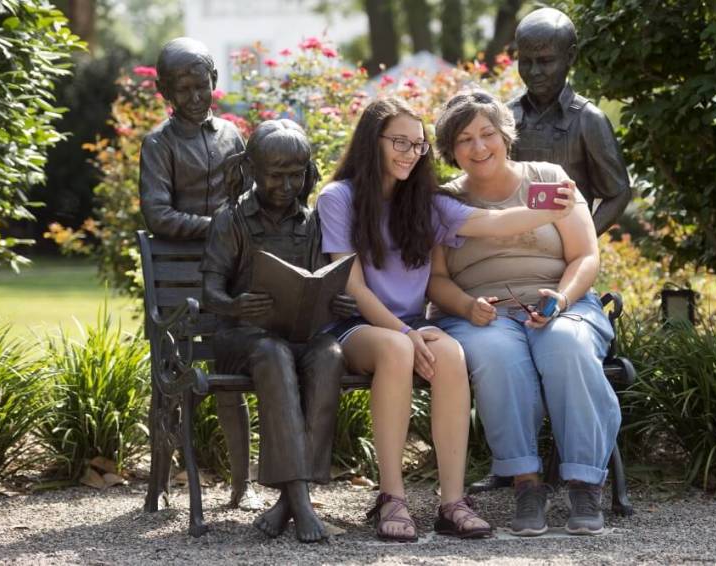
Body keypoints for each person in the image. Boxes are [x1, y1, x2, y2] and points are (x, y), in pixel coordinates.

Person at [315, 97, 575, 542]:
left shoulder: (425, 203)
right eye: (399, 142)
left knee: (452, 354)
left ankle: (451, 502)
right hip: (357, 327)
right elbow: (353, 286)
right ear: (370, 142)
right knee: (398, 349)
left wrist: (555, 208)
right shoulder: (339, 199)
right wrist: (404, 332)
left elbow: (493, 223)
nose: (409, 153)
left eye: (417, 145)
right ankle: (391, 498)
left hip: (412, 324)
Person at [428, 89, 621, 536]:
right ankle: (525, 482)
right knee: (498, 356)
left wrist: (562, 299)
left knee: (566, 346)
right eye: (464, 140)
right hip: (480, 314)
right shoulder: (443, 200)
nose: (478, 148)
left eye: (487, 134)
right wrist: (463, 305)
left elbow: (585, 256)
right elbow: (435, 280)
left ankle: (584, 482)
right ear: (450, 151)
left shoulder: (547, 178)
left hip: (560, 301)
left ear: (505, 135)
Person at [201, 119, 355, 543]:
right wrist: (233, 304)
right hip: (240, 338)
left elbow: (318, 280)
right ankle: (302, 504)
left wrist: (334, 301)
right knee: (272, 352)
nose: (287, 185)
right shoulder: (230, 219)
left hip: (297, 335)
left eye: (296, 174)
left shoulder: (310, 223)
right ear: (251, 169)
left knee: (330, 355)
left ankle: (289, 500)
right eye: (276, 174)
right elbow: (209, 289)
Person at [138, 37, 261, 511]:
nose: (194, 96)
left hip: (230, 282)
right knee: (170, 381)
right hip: (180, 293)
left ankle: (243, 485)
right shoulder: (159, 144)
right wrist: (219, 227)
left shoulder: (232, 136)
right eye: (183, 87)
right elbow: (158, 215)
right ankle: (161, 482)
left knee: (235, 374)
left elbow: (248, 201)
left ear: (214, 82)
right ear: (166, 91)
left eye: (201, 85)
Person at [509, 7, 631, 236]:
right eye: (526, 61)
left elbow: (618, 192)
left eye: (545, 61)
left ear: (570, 56)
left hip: (567, 258)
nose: (534, 71)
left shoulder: (588, 120)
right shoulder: (505, 117)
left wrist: (581, 240)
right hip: (511, 251)